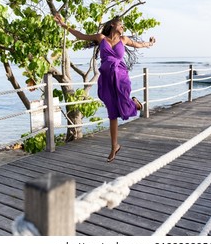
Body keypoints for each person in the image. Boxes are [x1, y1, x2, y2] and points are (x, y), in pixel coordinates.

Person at [54, 13, 156, 162]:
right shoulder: (101, 38)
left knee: (122, 100)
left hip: (121, 76)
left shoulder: (124, 39)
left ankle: (133, 104)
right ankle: (114, 146)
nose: (123, 27)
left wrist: (150, 43)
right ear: (113, 25)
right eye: (121, 25)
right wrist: (64, 25)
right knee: (112, 112)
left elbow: (139, 45)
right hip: (107, 78)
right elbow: (81, 35)